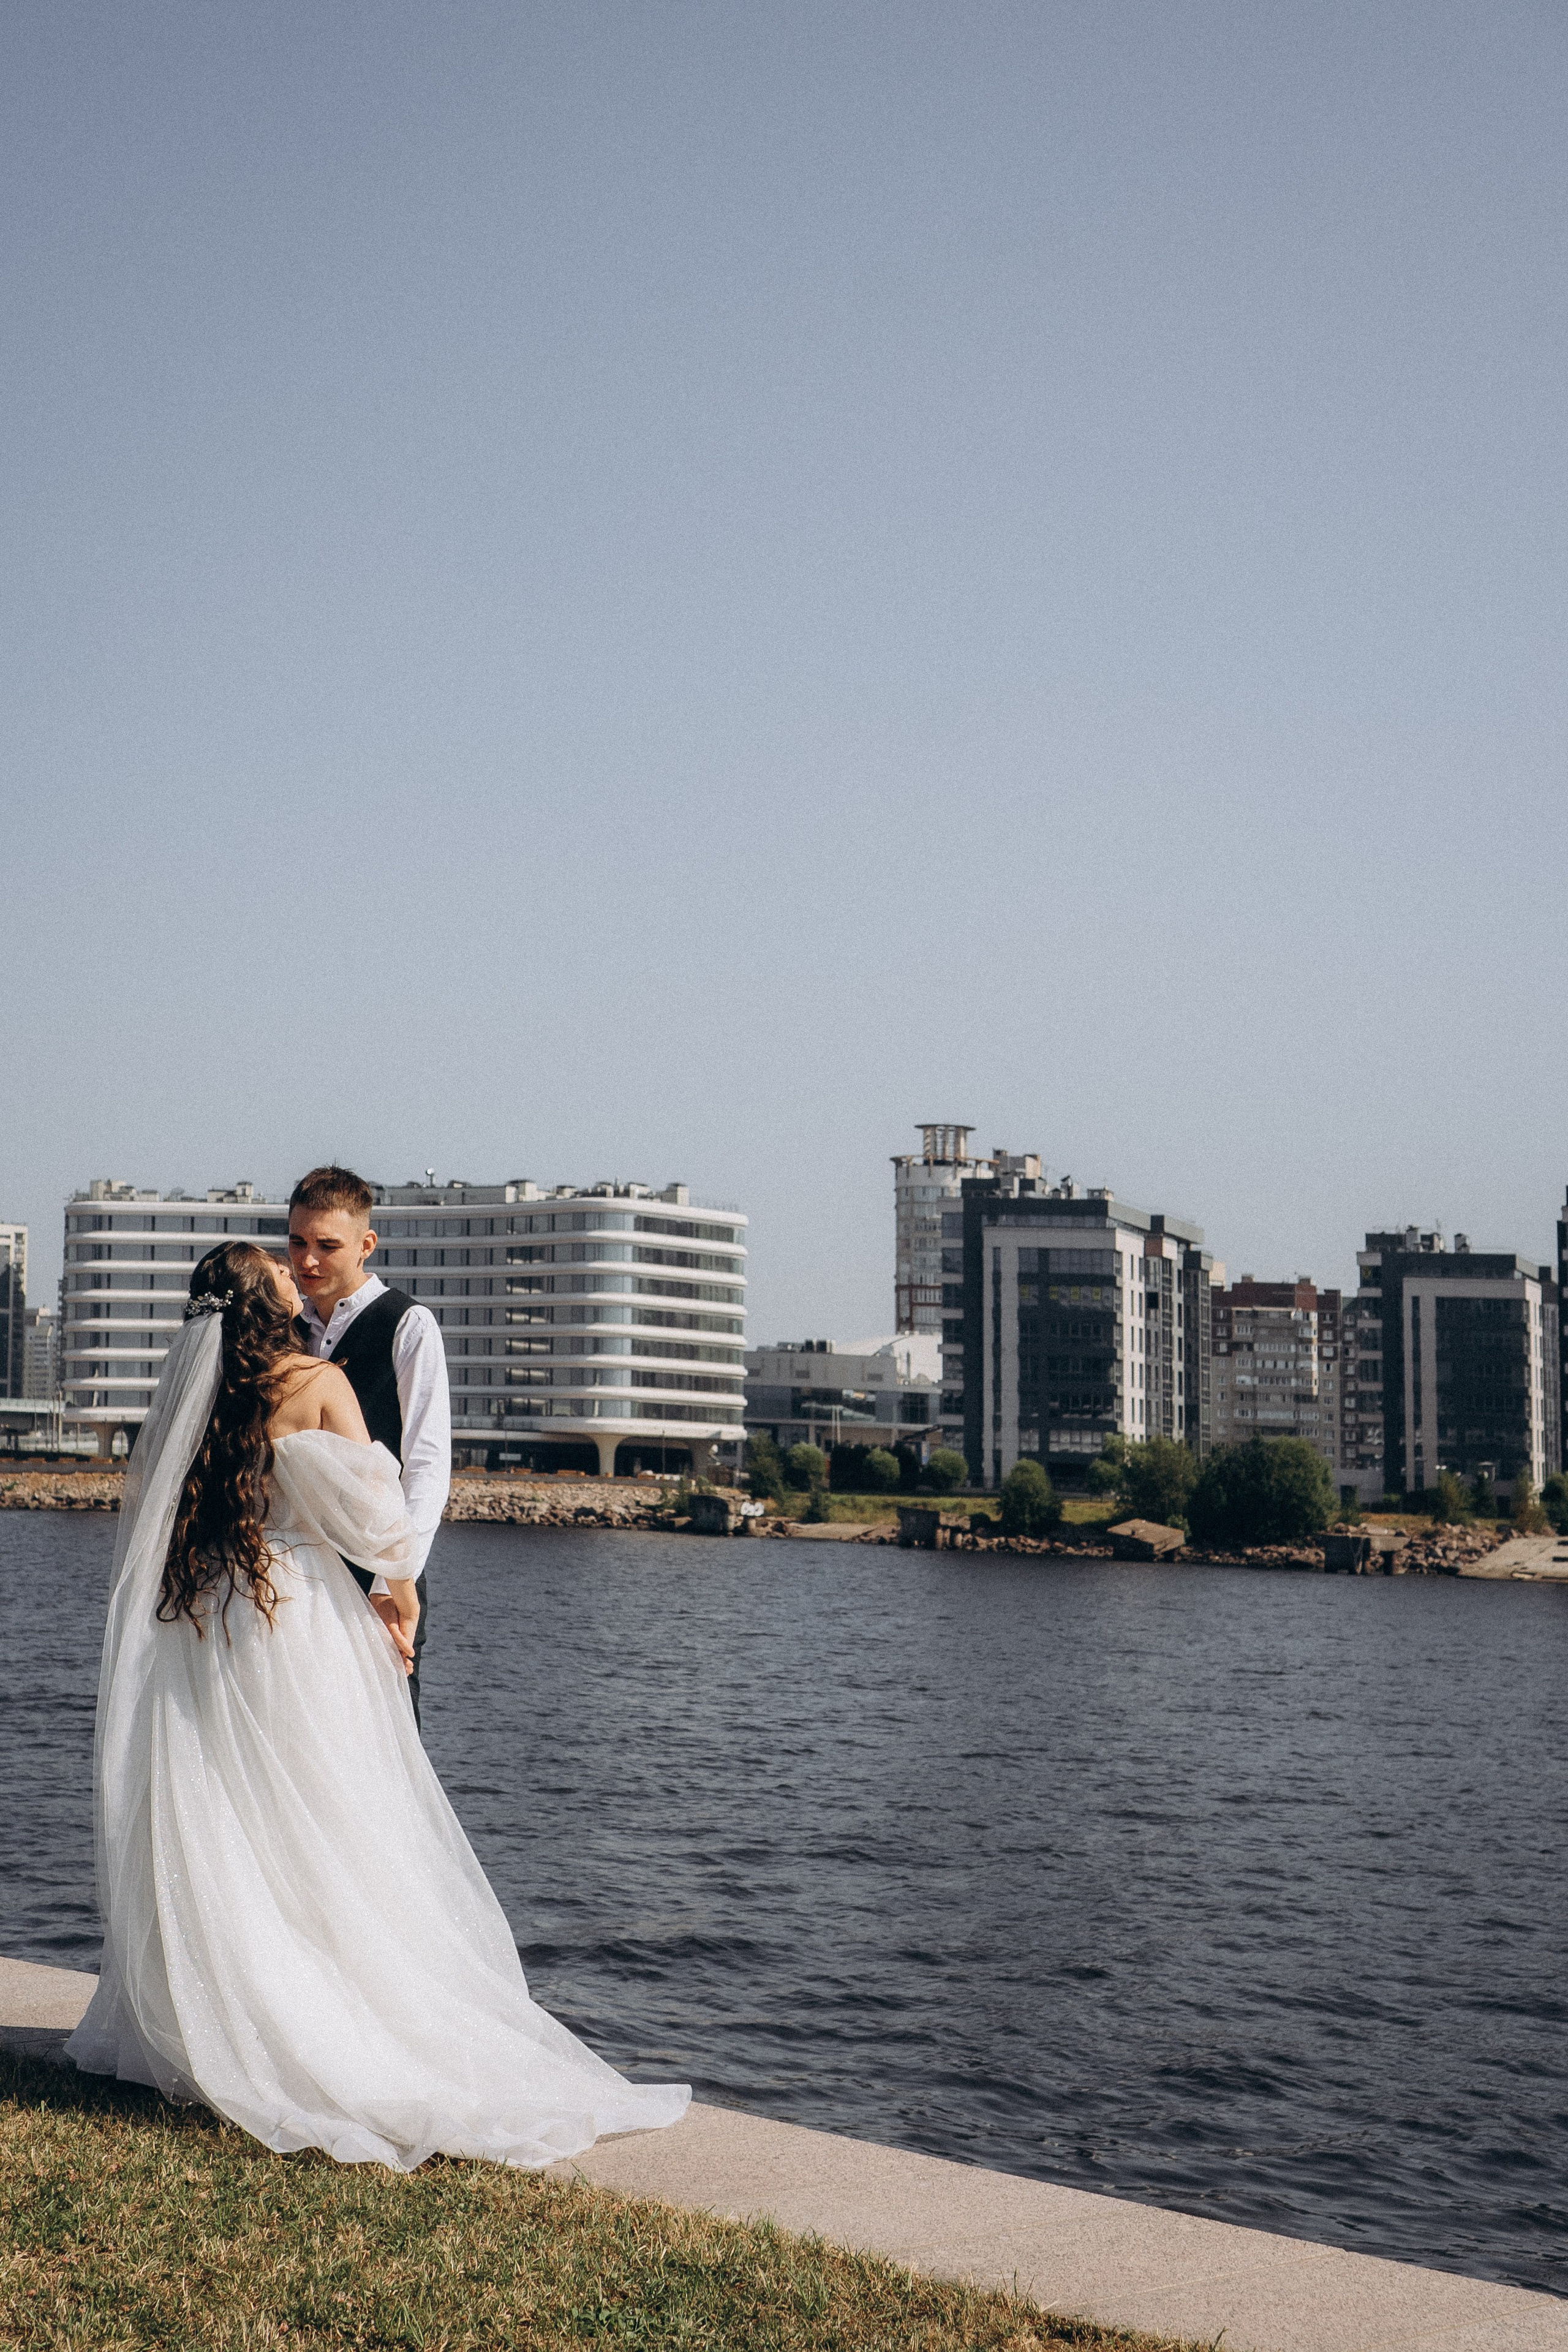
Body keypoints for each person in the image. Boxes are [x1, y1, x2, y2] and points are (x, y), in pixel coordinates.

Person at [66, 1240, 690, 2171]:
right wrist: (400, 1610)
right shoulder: (314, 1381)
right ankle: (340, 2019)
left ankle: (222, 2013)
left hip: (212, 1617)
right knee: (334, 1818)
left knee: (230, 1815)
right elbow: (380, 1524)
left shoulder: (192, 1394)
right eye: (280, 1268)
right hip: (301, 1617)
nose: (294, 1271)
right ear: (266, 1300)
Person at [286, 1164, 449, 1730]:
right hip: (295, 1577)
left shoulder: (409, 1325)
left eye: (327, 1246)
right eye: (297, 1242)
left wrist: (390, 1582)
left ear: (366, 1245)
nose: (307, 1260)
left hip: (379, 1575)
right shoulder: (281, 1328)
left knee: (387, 1742)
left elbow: (426, 1469)